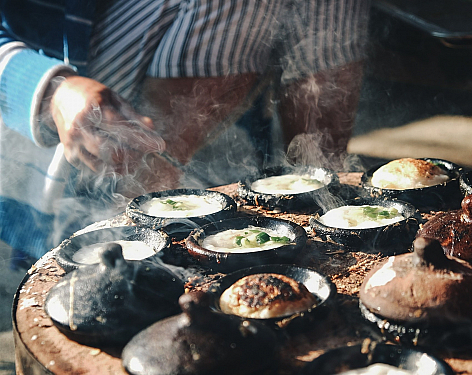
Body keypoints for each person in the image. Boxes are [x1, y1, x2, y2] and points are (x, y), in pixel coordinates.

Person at [0, 0, 371, 265]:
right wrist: (53, 93)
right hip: (58, 124)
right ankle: (134, 229)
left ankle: (321, 205)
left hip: (220, 129)